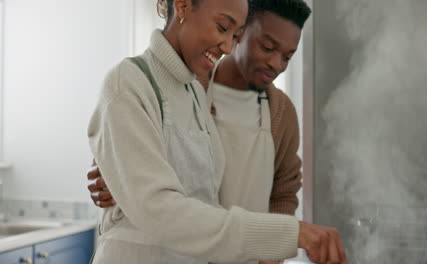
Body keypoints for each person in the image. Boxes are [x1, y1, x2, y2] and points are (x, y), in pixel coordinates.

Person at [88, 0, 347, 263]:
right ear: (184, 6)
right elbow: (160, 209)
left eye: (234, 34)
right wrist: (289, 234)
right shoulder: (131, 83)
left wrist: (273, 247)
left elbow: (204, 199)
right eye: (223, 27)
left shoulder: (192, 95)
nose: (227, 46)